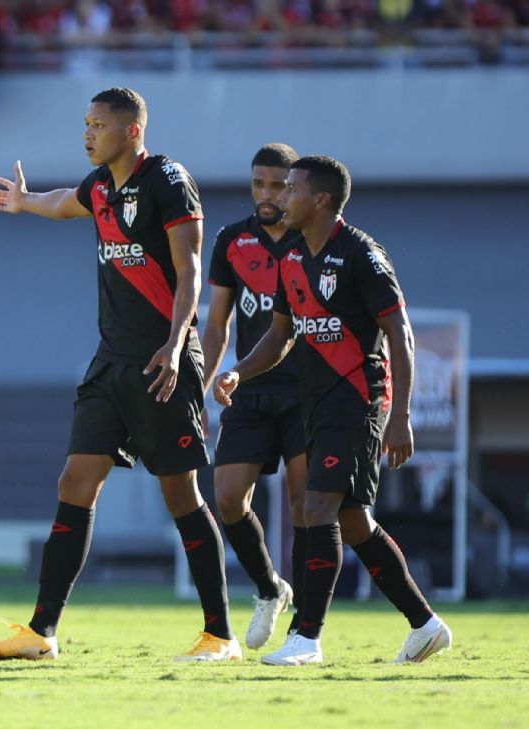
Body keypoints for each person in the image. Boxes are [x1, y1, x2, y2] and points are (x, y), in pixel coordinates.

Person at [0, 87, 238, 662]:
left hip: (160, 360)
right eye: (86, 123)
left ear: (133, 131)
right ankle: (42, 632)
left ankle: (220, 635)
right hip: (110, 361)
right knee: (75, 479)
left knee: (180, 494)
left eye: (98, 124)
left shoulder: (168, 180)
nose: (88, 133)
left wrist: (174, 345)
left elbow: (190, 269)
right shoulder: (99, 188)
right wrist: (23, 202)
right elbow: (65, 200)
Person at [214, 155, 452, 665]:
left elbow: (401, 335)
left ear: (320, 199)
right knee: (354, 523)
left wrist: (400, 415)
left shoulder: (362, 254)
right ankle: (425, 624)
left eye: (291, 189)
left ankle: (306, 638)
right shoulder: (294, 257)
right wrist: (239, 371)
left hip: (359, 401)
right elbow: (279, 336)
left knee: (316, 509)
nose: (280, 197)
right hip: (315, 406)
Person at [201, 143, 305, 649]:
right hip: (249, 384)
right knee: (227, 497)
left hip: (307, 391)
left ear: (295, 186)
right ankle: (270, 589)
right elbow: (217, 323)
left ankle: (308, 624)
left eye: (279, 185)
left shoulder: (314, 239)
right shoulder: (231, 240)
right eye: (259, 184)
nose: (268, 195)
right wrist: (203, 385)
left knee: (306, 505)